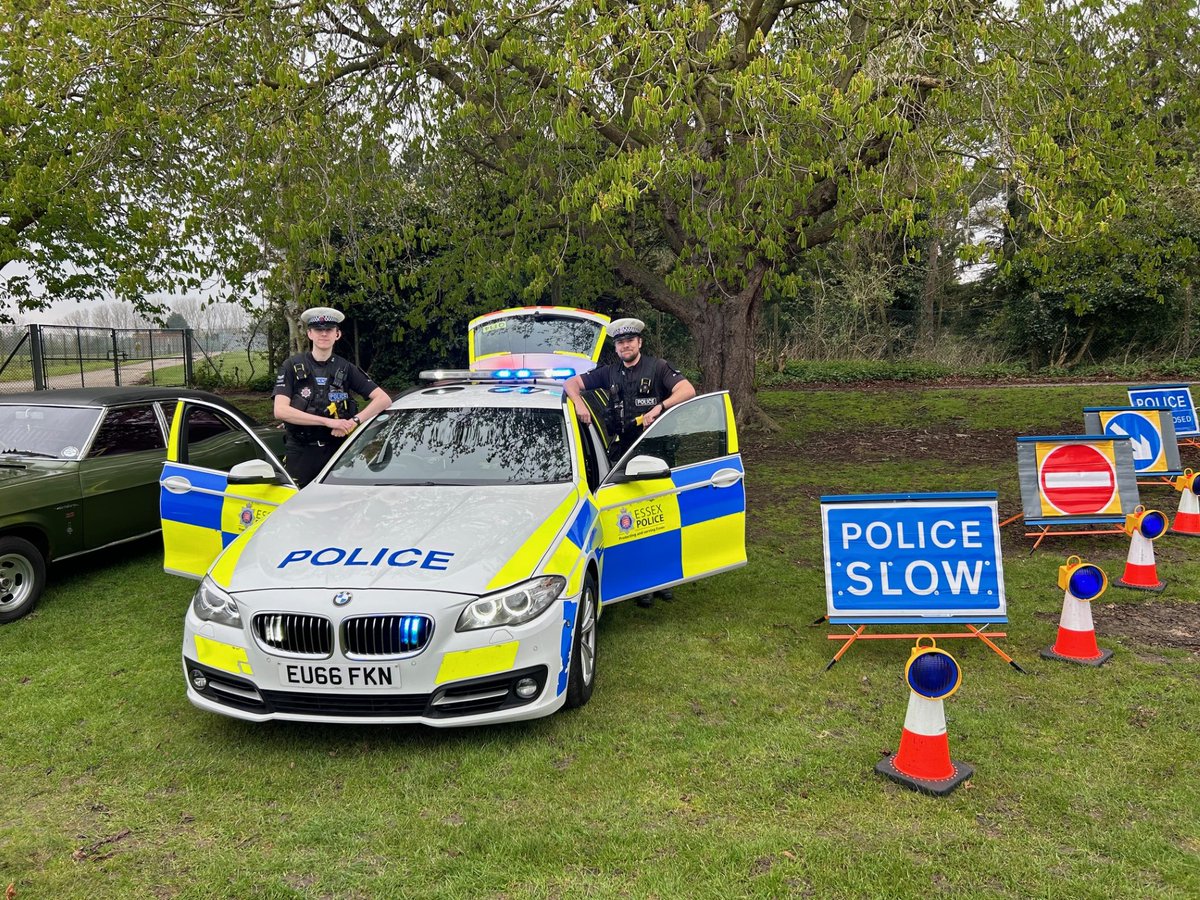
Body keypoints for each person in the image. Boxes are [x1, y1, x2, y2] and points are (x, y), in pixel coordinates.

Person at [564, 317, 696, 607]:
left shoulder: (658, 367)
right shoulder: (609, 373)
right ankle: (641, 582)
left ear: (639, 343)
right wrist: (579, 402)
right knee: (634, 518)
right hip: (624, 454)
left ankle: (664, 579)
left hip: (657, 451)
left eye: (630, 341)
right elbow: (571, 383)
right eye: (620, 342)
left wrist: (661, 406)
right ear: (617, 347)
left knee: (661, 514)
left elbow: (688, 391)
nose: (625, 345)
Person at [273, 306, 391, 487]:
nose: (324, 334)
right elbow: (280, 411)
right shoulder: (292, 366)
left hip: (337, 452)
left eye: (329, 330)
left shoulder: (346, 368)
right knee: (300, 505)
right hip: (301, 451)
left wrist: (353, 422)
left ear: (337, 334)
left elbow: (383, 399)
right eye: (318, 330)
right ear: (310, 334)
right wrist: (328, 422)